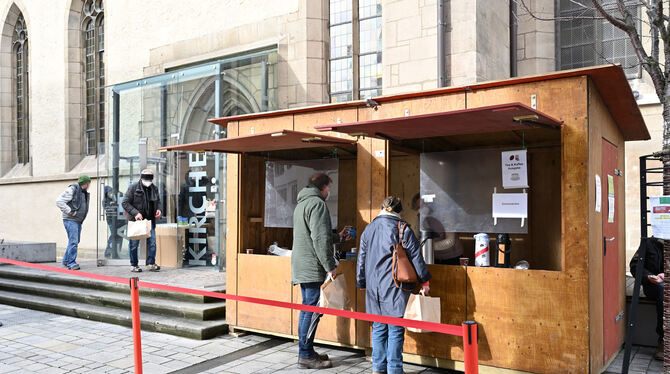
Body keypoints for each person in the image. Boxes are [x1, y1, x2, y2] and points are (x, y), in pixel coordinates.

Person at [357, 196, 431, 374]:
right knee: (396, 328)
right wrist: (425, 280)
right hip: (395, 285)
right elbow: (416, 257)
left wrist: (361, 281)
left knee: (379, 326)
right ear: (399, 211)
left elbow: (362, 258)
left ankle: (378, 367)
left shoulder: (369, 228)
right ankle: (394, 369)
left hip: (373, 286)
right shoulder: (402, 228)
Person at [291, 173, 352, 369]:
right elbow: (319, 239)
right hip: (312, 266)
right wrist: (330, 266)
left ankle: (306, 350)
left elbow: (318, 235)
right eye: (329, 188)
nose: (329, 192)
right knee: (311, 310)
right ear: (323, 187)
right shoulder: (317, 204)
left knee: (307, 308)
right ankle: (306, 355)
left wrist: (337, 236)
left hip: (302, 264)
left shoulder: (303, 203)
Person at [629, 237, 664, 360]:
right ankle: (664, 341)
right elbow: (634, 266)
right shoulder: (648, 243)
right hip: (654, 286)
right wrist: (649, 276)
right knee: (663, 290)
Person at [122, 169, 162, 273]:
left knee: (152, 242)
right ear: (141, 178)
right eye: (146, 178)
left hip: (149, 220)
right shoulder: (133, 188)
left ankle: (151, 263)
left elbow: (158, 202)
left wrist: (159, 209)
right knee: (134, 243)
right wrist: (135, 213)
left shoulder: (154, 188)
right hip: (136, 220)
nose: (148, 181)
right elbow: (125, 202)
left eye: (150, 178)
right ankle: (134, 264)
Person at [411, 193, 463, 265]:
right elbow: (418, 236)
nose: (421, 210)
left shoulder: (446, 214)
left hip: (452, 257)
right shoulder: (421, 217)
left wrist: (427, 247)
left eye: (422, 206)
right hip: (434, 257)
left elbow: (450, 241)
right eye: (418, 208)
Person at [56, 175, 91, 270]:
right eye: (89, 183)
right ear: (86, 183)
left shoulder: (83, 192)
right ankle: (71, 263)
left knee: (75, 241)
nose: (89, 185)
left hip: (78, 221)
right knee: (74, 241)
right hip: (70, 220)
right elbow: (59, 201)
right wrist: (70, 211)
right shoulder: (73, 189)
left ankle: (66, 260)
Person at [103, 186, 122, 259]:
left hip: (120, 220)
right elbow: (108, 209)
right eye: (109, 192)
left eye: (111, 191)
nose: (111, 194)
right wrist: (114, 205)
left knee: (120, 236)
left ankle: (117, 253)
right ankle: (108, 252)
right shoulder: (105, 200)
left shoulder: (117, 196)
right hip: (112, 220)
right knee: (113, 235)